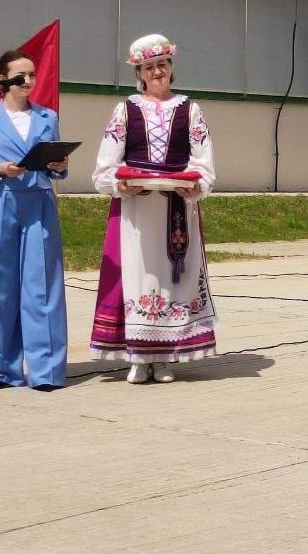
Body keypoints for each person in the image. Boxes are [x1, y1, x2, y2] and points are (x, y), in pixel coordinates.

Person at [90, 34, 218, 383]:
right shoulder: (125, 110)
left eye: (162, 64)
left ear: (171, 68)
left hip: (177, 207)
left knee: (172, 278)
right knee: (138, 275)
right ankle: (138, 355)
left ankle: (164, 357)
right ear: (140, 73)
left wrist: (193, 183)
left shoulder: (191, 110)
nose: (157, 71)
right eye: (149, 67)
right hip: (137, 212)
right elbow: (104, 167)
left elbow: (204, 163)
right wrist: (122, 183)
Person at [0, 50, 69, 390]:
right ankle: (2, 369)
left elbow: (58, 162)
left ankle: (46, 371)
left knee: (42, 285)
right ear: (3, 80)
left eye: (33, 75)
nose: (29, 82)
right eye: (21, 76)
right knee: (0, 286)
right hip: (0, 201)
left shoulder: (47, 117)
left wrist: (61, 167)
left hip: (38, 203)